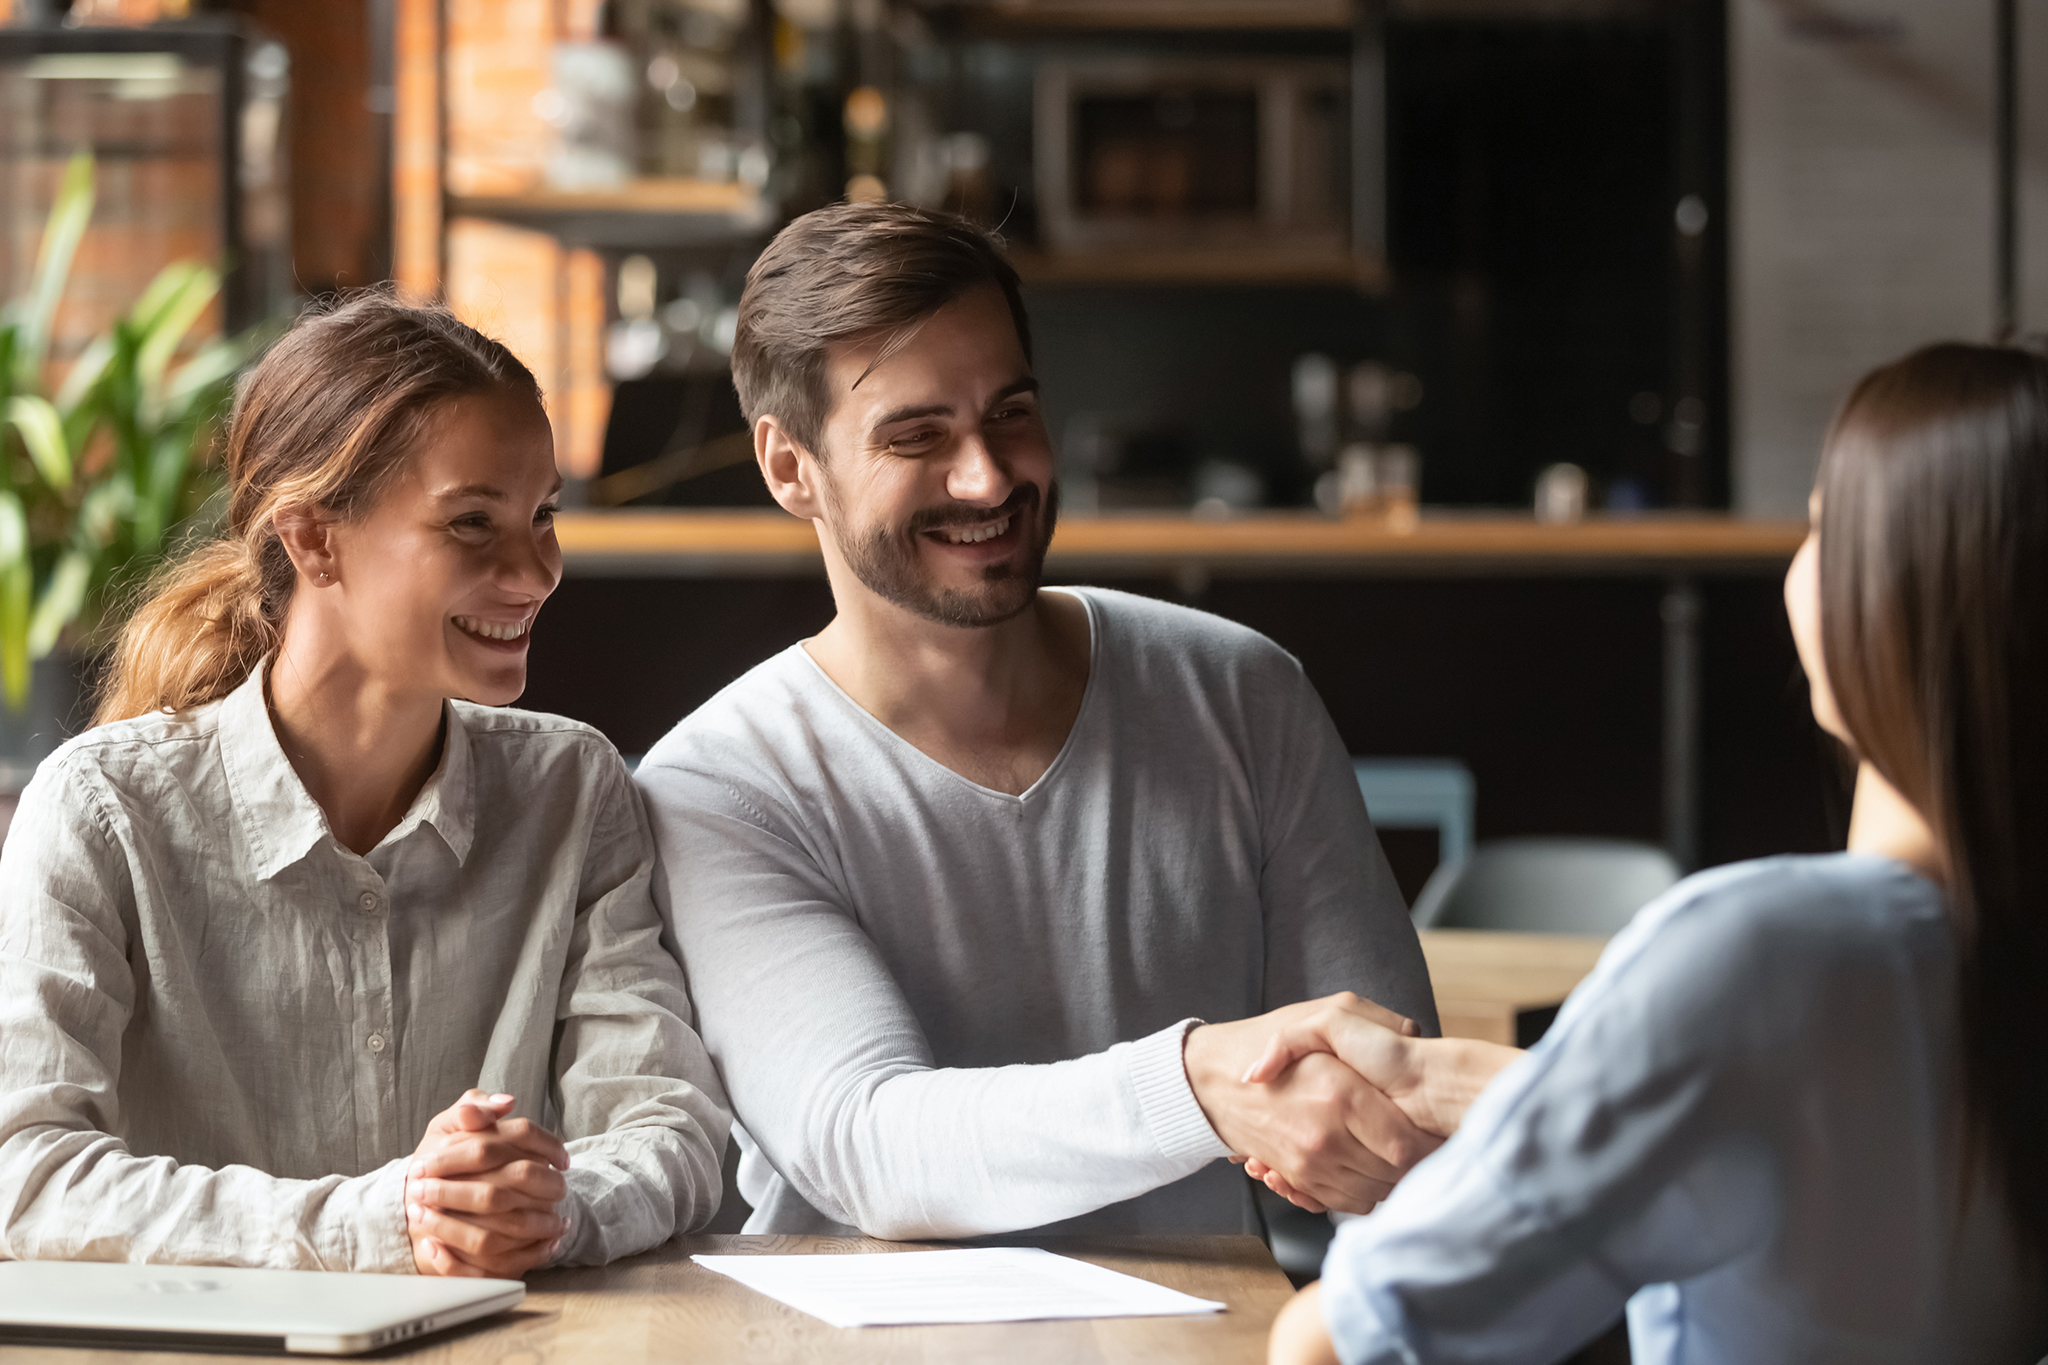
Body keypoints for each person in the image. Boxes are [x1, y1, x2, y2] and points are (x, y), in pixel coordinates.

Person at [635, 201, 1440, 1241]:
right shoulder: (719, 786)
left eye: (1009, 413)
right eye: (917, 436)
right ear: (790, 468)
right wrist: (1194, 1084)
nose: (987, 476)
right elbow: (868, 1143)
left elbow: (1389, 1115)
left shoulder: (1240, 695)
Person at [1260, 341, 2048, 1364]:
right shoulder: (1980, 964)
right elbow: (1800, 1124)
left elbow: (1345, 1342)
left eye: (1819, 527)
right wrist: (1442, 1078)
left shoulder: (1759, 952)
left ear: (1890, 599)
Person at [0, 294, 728, 1276]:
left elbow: (667, 1124)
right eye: (473, 522)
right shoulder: (99, 812)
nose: (535, 570)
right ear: (313, 541)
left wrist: (539, 1208)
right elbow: (27, 1178)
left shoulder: (570, 785)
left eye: (543, 514)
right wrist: (392, 1221)